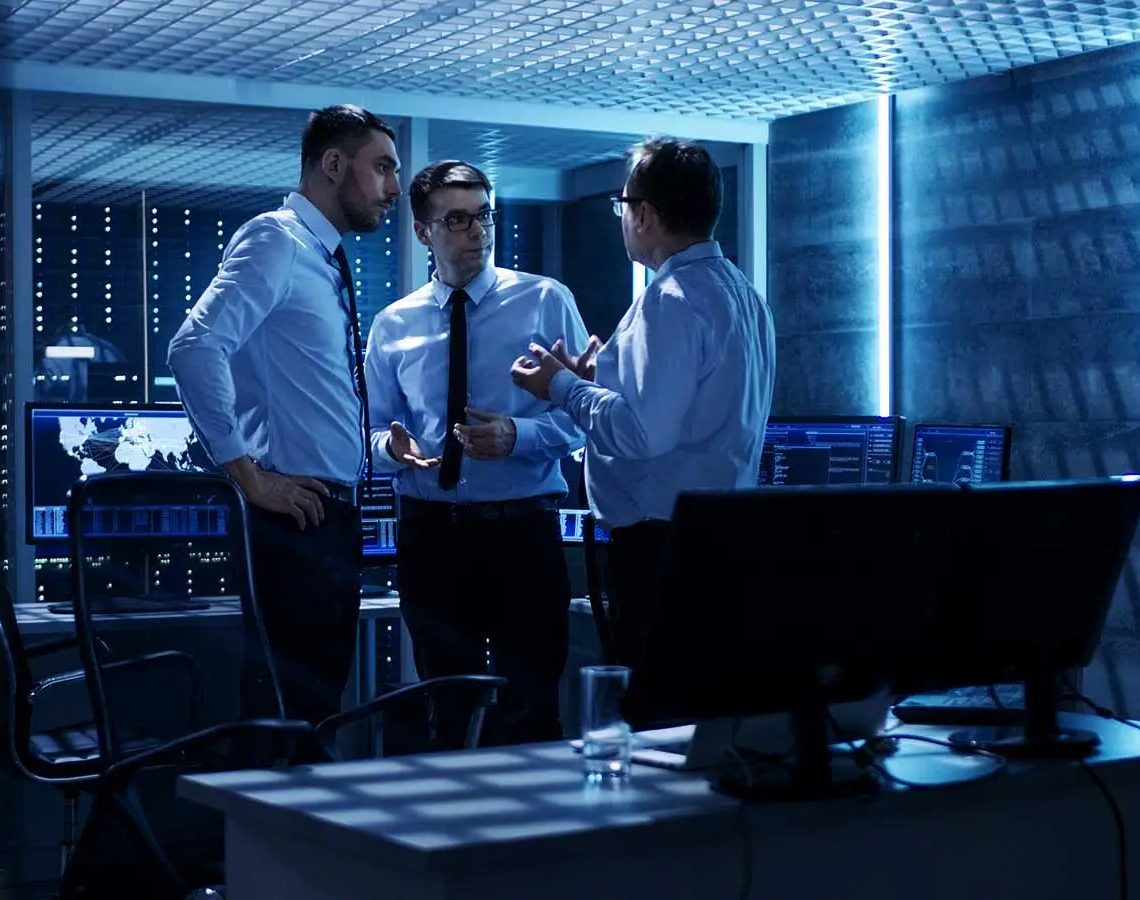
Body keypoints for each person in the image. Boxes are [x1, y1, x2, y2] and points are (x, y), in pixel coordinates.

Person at [167, 105, 401, 728]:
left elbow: (311, 401)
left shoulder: (321, 257)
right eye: (381, 168)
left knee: (310, 711)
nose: (395, 188)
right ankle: (259, 828)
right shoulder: (277, 239)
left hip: (326, 516)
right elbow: (194, 348)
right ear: (332, 164)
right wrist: (248, 476)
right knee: (286, 716)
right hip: (294, 519)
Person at [511, 137, 776, 684]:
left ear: (647, 215)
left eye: (623, 206)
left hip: (661, 543)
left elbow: (640, 435)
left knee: (661, 704)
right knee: (698, 698)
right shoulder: (744, 295)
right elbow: (688, 409)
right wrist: (596, 381)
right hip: (718, 532)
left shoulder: (670, 299)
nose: (622, 219)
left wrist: (561, 387)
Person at [365, 160, 589, 746]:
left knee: (533, 711)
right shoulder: (393, 326)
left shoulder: (545, 301)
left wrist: (519, 436)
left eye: (485, 216)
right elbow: (367, 435)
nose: (478, 232)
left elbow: (584, 419)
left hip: (524, 535)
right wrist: (391, 449)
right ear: (422, 232)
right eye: (458, 219)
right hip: (431, 536)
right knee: (448, 712)